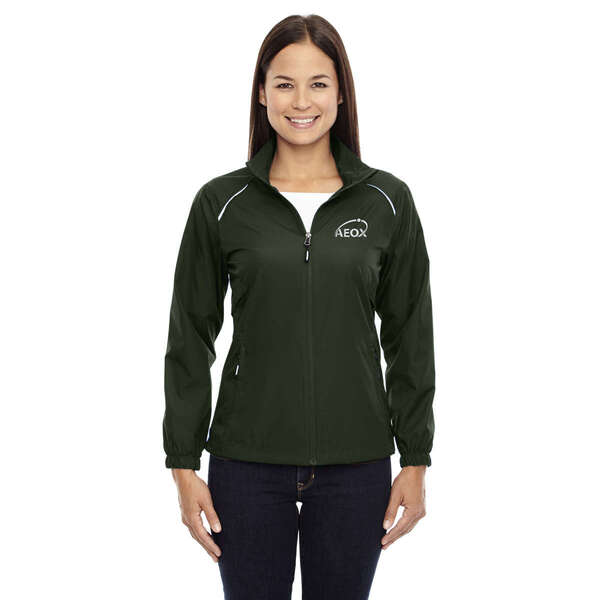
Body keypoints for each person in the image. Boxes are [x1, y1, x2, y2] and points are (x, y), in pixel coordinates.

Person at [162, 13, 435, 600]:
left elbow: (410, 335)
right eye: (285, 84)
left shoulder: (387, 200)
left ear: (341, 93)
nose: (302, 101)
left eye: (318, 83)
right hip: (245, 466)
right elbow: (189, 337)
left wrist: (416, 458)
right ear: (262, 93)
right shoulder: (222, 202)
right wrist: (182, 464)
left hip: (356, 466)